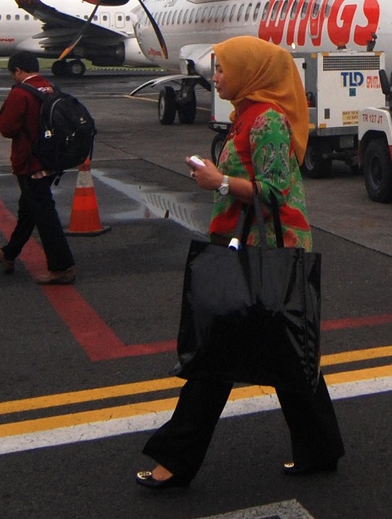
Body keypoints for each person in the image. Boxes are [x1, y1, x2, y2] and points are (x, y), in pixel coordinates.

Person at [135, 36, 343, 490]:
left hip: (265, 245)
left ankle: (175, 459)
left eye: (224, 69)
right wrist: (221, 180)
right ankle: (321, 448)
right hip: (247, 241)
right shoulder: (245, 115)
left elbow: (275, 191)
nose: (217, 77)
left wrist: (220, 182)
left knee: (218, 356)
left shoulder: (267, 120)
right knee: (287, 350)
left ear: (251, 71)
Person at [0, 51, 76, 285]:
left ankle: (62, 267)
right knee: (29, 210)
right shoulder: (50, 88)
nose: (13, 77)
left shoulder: (21, 94)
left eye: (13, 73)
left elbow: (6, 128)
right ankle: (9, 254)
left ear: (18, 70)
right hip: (50, 161)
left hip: (31, 163)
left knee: (44, 214)